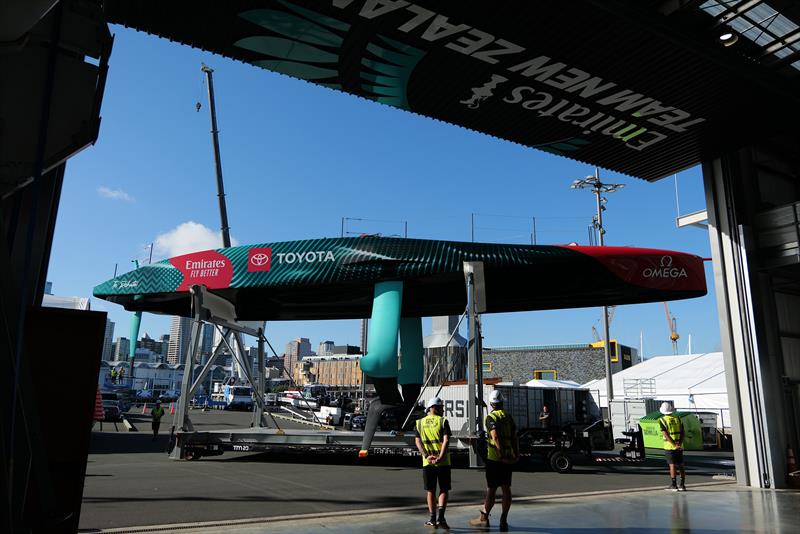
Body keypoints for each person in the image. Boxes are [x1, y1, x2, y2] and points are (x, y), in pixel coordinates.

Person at [471, 390, 518, 531]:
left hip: (495, 458)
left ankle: (484, 518)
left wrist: (500, 453)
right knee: (506, 489)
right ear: (502, 402)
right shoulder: (508, 417)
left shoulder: (491, 418)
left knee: (491, 490)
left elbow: (495, 436)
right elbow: (515, 436)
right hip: (509, 456)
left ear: (491, 404)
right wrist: (516, 454)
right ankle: (504, 518)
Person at [415, 396, 452, 529]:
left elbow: (417, 442)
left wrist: (426, 455)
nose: (443, 410)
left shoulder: (419, 423)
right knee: (443, 489)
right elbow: (446, 440)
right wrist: (441, 457)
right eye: (441, 407)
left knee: (430, 490)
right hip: (443, 462)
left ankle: (432, 519)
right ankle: (441, 517)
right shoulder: (443, 421)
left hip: (428, 462)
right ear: (434, 408)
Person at [659, 401, 686, 491]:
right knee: (681, 465)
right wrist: (679, 444)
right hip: (679, 445)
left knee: (672, 465)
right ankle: (682, 485)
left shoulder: (662, 420)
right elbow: (683, 432)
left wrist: (674, 445)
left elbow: (666, 434)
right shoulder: (678, 418)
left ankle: (674, 485)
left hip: (669, 446)